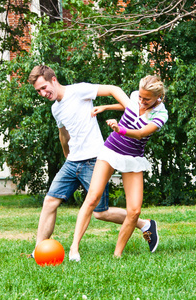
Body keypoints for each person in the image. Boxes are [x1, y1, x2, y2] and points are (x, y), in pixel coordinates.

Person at [28, 65, 158, 261]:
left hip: (94, 159)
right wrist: (66, 154)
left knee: (100, 213)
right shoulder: (56, 109)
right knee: (49, 201)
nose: (43, 93)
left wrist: (131, 110)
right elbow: (63, 134)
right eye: (39, 91)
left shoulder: (78, 90)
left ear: (53, 80)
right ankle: (38, 250)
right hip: (72, 162)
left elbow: (113, 89)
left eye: (44, 87)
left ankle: (144, 224)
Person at [69, 75, 168, 259]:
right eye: (140, 96)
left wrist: (119, 128)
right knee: (92, 198)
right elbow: (128, 105)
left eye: (147, 99)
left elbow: (140, 133)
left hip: (133, 157)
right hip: (111, 150)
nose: (141, 101)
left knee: (134, 210)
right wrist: (107, 107)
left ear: (158, 96)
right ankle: (74, 248)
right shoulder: (135, 96)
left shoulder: (161, 114)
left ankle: (117, 255)